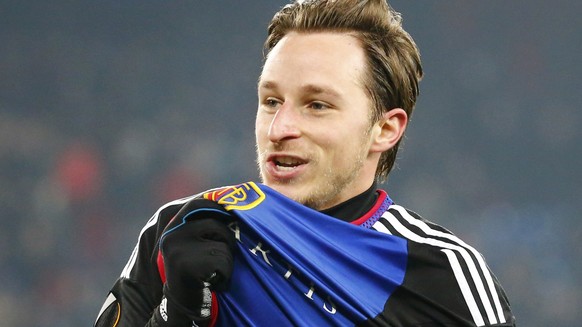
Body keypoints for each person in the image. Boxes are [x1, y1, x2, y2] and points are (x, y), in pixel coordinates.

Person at [94, 0, 516, 326]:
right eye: (271, 101)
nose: (280, 128)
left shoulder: (443, 275)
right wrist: (176, 313)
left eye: (317, 105)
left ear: (385, 129)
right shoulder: (185, 228)